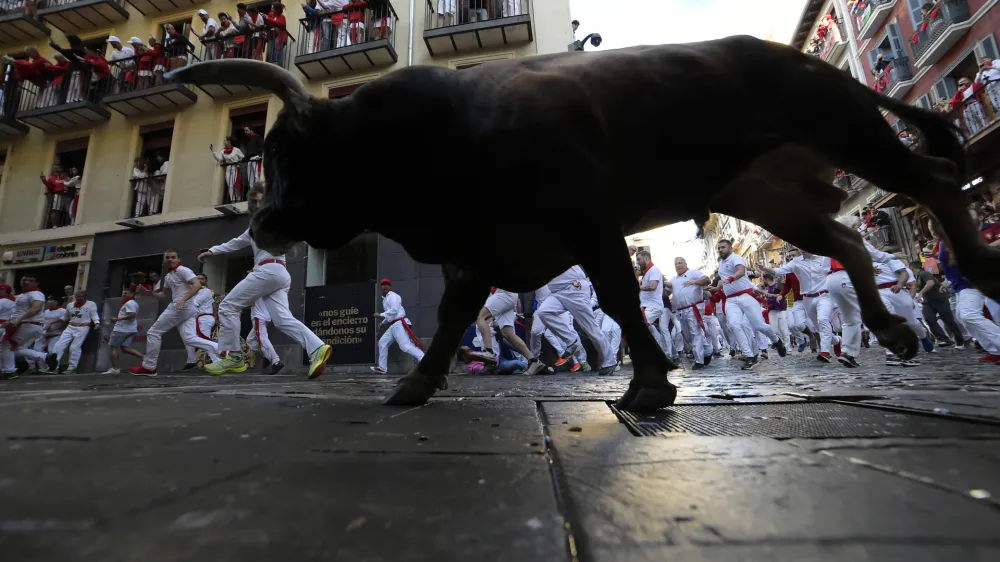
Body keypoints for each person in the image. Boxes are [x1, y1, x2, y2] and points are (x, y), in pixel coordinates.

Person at [198, 182, 332, 377]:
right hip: (279, 274)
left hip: (268, 271)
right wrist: (212, 251)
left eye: (263, 200)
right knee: (282, 320)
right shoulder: (256, 227)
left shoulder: (276, 220)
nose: (259, 204)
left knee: (227, 306)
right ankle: (317, 348)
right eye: (255, 201)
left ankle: (234, 356)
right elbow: (235, 243)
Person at [128, 251, 220, 376]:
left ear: (178, 259)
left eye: (173, 257)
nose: (170, 259)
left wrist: (183, 299)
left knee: (153, 332)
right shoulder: (168, 276)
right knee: (190, 338)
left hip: (180, 307)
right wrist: (148, 292)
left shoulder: (183, 270)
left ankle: (149, 367)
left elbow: (197, 284)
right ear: (164, 260)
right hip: (186, 308)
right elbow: (163, 295)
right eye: (167, 257)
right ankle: (222, 349)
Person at [718, 239, 786, 369]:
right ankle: (749, 356)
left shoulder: (736, 258)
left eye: (723, 247)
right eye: (719, 248)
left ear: (730, 248)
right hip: (731, 300)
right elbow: (725, 283)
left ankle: (777, 341)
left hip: (745, 296)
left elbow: (741, 271)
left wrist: (729, 279)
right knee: (734, 325)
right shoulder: (721, 264)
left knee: (759, 326)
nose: (720, 249)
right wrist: (716, 288)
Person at [371, 278, 425, 374]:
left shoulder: (393, 296)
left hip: (399, 323)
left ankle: (424, 359)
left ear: (390, 287)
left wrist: (381, 315)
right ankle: (382, 368)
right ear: (381, 287)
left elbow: (394, 310)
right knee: (382, 343)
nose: (385, 286)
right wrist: (382, 322)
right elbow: (391, 315)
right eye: (383, 285)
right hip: (393, 325)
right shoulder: (385, 299)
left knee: (405, 346)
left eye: (387, 284)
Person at [43, 289, 100, 374]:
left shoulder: (91, 304)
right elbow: (65, 317)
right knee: (59, 345)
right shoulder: (70, 305)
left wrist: (97, 323)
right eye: (78, 296)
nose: (80, 298)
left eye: (82, 296)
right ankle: (53, 367)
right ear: (75, 296)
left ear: (85, 297)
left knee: (74, 347)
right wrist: (53, 323)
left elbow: (94, 314)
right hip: (70, 326)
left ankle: (72, 368)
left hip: (83, 327)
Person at [104, 286, 143, 374]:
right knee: (125, 348)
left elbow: (132, 315)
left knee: (113, 347)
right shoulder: (132, 303)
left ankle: (114, 369)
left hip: (121, 329)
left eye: (126, 293)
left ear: (132, 294)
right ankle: (144, 358)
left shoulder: (130, 303)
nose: (123, 294)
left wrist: (117, 319)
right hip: (129, 329)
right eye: (123, 292)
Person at [246, 291, 283, 374]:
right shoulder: (263, 286)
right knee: (250, 341)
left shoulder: (255, 288)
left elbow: (250, 303)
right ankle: (267, 355)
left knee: (262, 339)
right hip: (263, 316)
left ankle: (276, 361)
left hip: (259, 316)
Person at [0, 283, 17, 380]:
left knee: (4, 349)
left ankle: (8, 370)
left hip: (2, 325)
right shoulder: (13, 301)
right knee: (5, 349)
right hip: (8, 326)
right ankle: (8, 370)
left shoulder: (2, 301)